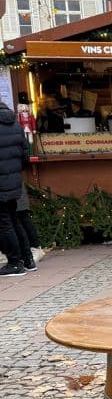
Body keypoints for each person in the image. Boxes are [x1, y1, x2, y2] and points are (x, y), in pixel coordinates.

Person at [0, 98, 35, 277]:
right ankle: (28, 260)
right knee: (14, 220)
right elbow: (25, 154)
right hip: (13, 181)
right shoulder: (15, 124)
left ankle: (15, 263)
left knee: (4, 224)